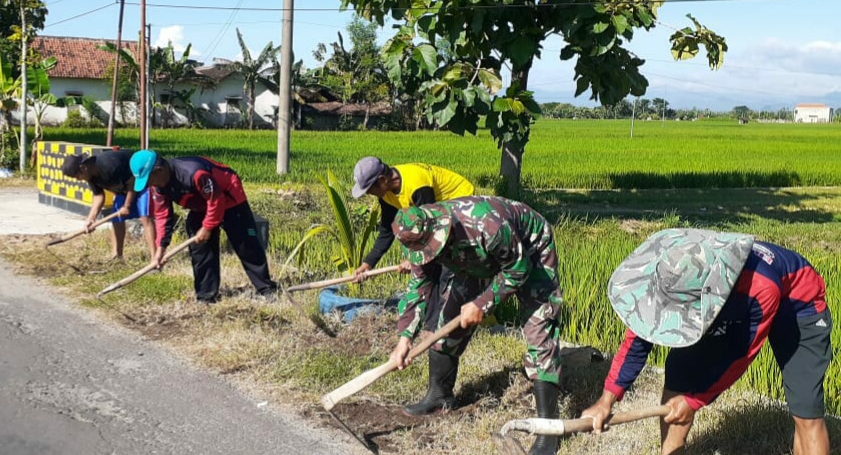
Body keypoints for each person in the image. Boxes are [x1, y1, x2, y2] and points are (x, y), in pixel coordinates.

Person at [580, 228, 831, 455]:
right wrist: (606, 401)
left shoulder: (760, 287)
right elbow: (637, 340)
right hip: (727, 303)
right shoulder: (673, 272)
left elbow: (739, 355)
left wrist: (694, 401)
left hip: (798, 306)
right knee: (680, 370)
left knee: (806, 411)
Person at [389, 195, 563, 455]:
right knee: (447, 321)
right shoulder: (415, 235)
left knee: (539, 326)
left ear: (440, 230)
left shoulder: (486, 225)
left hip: (528, 249)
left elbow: (518, 269)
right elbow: (419, 287)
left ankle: (548, 430)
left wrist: (483, 302)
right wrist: (405, 338)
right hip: (472, 257)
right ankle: (439, 396)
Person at [129, 149, 278, 303]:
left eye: (148, 179)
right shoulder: (158, 186)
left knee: (245, 244)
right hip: (199, 204)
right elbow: (162, 216)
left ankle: (267, 289)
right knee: (200, 249)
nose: (148, 185)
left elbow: (216, 200)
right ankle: (206, 297)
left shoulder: (194, 173)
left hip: (228, 196)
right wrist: (160, 249)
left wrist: (207, 227)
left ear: (159, 170)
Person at [351, 157, 474, 330]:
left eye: (369, 190)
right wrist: (368, 263)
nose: (369, 194)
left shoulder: (416, 185)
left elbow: (432, 229)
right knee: (427, 267)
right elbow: (387, 229)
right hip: (436, 214)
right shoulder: (386, 192)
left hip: (460, 204)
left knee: (445, 266)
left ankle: (444, 325)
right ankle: (431, 324)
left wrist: (414, 259)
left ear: (382, 180)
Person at [61, 150, 158, 262]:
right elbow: (98, 196)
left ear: (83, 168)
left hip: (141, 182)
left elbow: (133, 182)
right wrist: (91, 219)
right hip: (124, 190)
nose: (78, 180)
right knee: (116, 218)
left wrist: (127, 206)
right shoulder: (91, 176)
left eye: (77, 176)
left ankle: (154, 258)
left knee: (145, 217)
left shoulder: (109, 164)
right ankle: (117, 257)